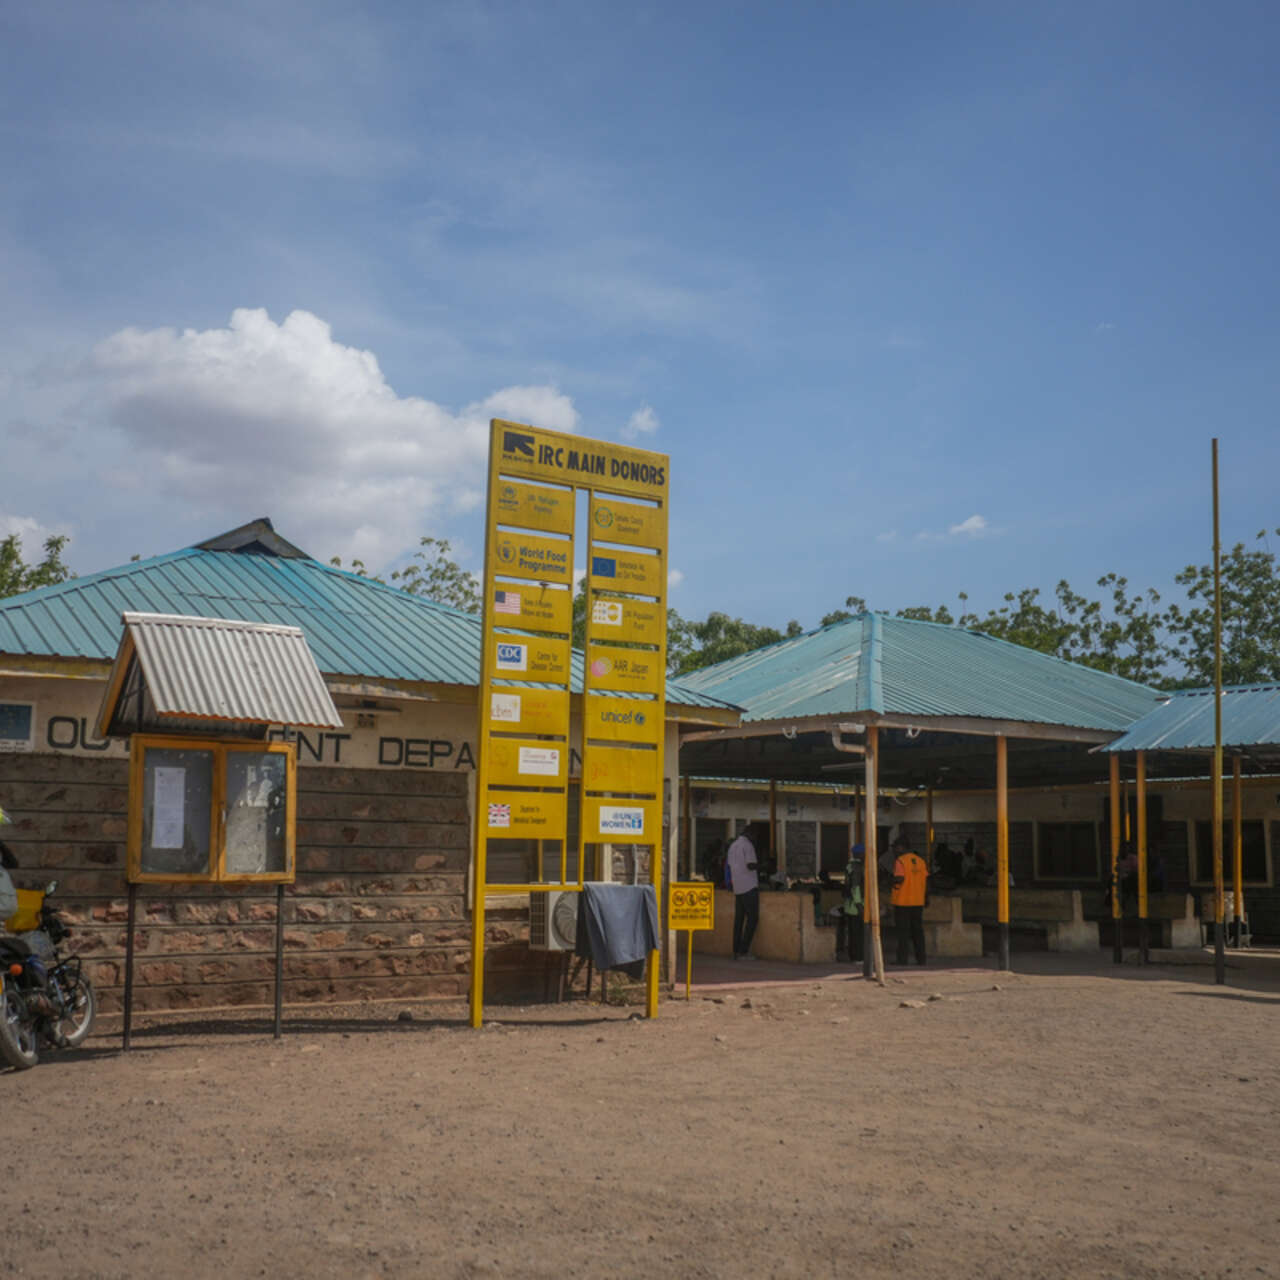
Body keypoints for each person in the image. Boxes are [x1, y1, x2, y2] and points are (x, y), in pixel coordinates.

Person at [725, 822, 762, 960]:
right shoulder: (748, 845)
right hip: (749, 886)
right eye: (755, 835)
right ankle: (744, 951)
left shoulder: (733, 846)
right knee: (753, 918)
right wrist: (762, 866)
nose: (756, 838)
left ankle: (735, 951)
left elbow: (730, 865)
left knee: (739, 920)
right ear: (751, 833)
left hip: (738, 887)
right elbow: (751, 865)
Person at [890, 838, 929, 966]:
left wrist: (890, 880)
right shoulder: (920, 861)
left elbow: (900, 879)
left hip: (903, 902)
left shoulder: (900, 861)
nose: (894, 850)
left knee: (903, 932)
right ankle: (921, 959)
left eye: (895, 847)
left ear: (901, 847)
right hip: (918, 901)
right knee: (918, 931)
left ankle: (902, 960)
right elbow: (926, 881)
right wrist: (925, 897)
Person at [837, 844, 865, 962]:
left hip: (850, 905)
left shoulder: (851, 866)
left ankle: (855, 957)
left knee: (854, 933)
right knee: (858, 934)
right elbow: (855, 886)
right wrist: (859, 904)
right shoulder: (856, 867)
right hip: (856, 905)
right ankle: (858, 957)